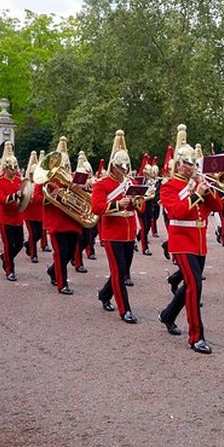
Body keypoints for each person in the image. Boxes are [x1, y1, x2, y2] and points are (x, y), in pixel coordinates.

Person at [158, 124, 223, 355]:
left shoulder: (195, 184)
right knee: (195, 286)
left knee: (189, 285)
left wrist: (208, 189)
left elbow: (217, 207)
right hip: (182, 241)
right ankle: (196, 336)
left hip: (199, 241)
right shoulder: (168, 186)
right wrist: (195, 193)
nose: (191, 168)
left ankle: (168, 314)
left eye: (194, 164)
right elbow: (177, 211)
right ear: (178, 164)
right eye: (188, 164)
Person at [91, 130, 141, 324]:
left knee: (122, 270)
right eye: (120, 167)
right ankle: (124, 310)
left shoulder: (131, 182)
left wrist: (137, 201)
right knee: (119, 271)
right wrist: (118, 205)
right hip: (112, 233)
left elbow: (141, 207)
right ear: (113, 166)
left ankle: (104, 294)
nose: (124, 170)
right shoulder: (102, 184)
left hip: (129, 231)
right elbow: (97, 207)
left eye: (125, 167)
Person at [38, 137, 83, 295]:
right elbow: (37, 198)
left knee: (70, 253)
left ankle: (52, 271)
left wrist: (81, 188)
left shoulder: (71, 179)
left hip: (72, 221)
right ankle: (62, 284)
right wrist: (52, 194)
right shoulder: (47, 181)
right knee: (61, 252)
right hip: (57, 223)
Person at [0, 142, 25, 282]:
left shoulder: (20, 181)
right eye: (11, 169)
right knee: (8, 245)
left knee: (19, 244)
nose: (14, 171)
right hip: (5, 218)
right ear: (5, 169)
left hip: (17, 218)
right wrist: (14, 196)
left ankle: (5, 257)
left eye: (15, 168)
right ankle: (9, 270)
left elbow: (26, 196)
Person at [22, 151, 44, 264]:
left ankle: (28, 244)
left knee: (39, 234)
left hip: (39, 213)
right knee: (32, 233)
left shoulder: (40, 185)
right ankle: (33, 255)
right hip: (29, 213)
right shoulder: (26, 183)